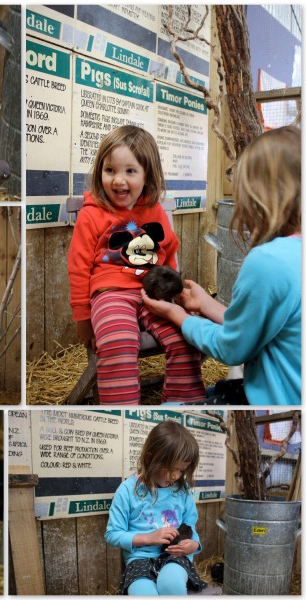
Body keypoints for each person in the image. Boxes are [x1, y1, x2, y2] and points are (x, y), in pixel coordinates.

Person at [142, 126, 301, 405]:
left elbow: (232, 347)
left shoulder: (267, 262)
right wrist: (205, 304)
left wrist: (179, 316)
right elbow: (254, 323)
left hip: (272, 400)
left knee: (170, 407)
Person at [68, 125, 206, 404]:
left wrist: (175, 295)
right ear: (100, 173)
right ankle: (122, 409)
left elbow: (168, 251)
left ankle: (184, 404)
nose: (119, 180)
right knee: (119, 341)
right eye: (110, 171)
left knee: (186, 336)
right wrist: (83, 319)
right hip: (110, 294)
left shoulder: (154, 210)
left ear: (147, 175)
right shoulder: (91, 215)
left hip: (153, 292)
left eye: (130, 171)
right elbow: (79, 267)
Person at [105, 420, 203, 595]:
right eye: (171, 469)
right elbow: (112, 534)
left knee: (171, 585)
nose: (175, 476)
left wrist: (194, 545)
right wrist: (149, 538)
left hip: (175, 556)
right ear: (151, 459)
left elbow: (190, 526)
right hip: (140, 560)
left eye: (181, 470)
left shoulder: (182, 490)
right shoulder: (127, 491)